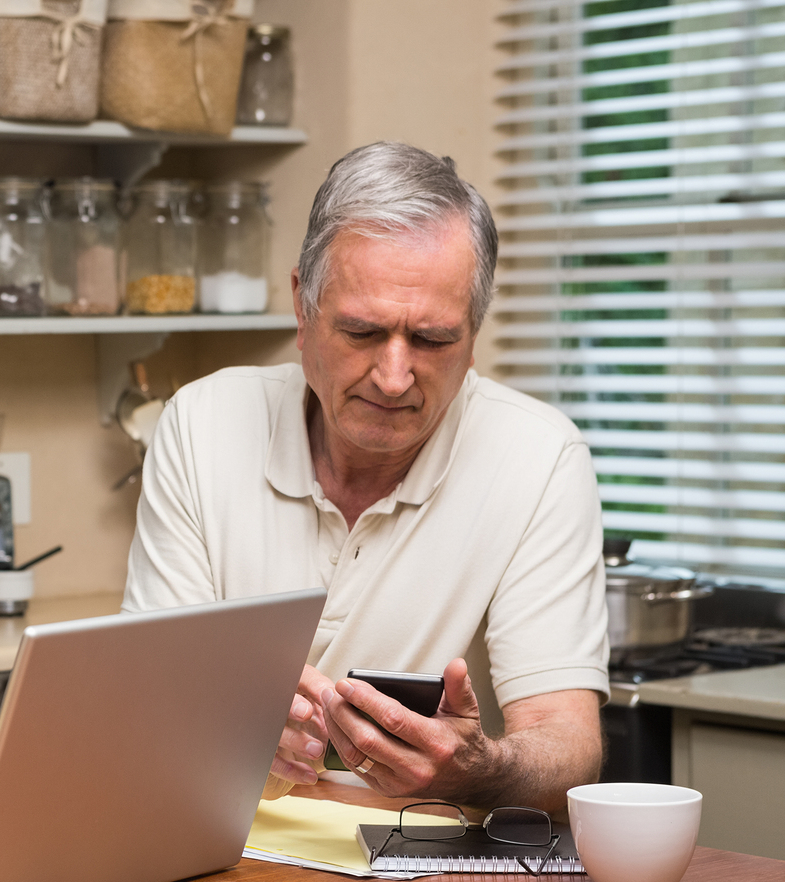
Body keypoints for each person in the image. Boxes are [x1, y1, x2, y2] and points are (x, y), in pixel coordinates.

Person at [123, 142, 608, 815]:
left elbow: (567, 745)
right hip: (216, 847)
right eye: (361, 331)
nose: (393, 376)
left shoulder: (540, 456)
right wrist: (219, 730)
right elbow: (147, 696)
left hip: (423, 874)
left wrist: (479, 768)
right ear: (302, 307)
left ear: (474, 334)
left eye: (434, 340)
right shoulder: (203, 421)